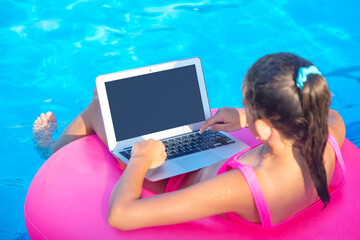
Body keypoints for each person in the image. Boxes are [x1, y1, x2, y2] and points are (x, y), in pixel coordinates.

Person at [33, 53, 345, 231]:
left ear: (264, 128)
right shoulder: (329, 137)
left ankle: (48, 150)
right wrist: (243, 117)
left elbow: (121, 216)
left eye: (249, 110)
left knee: (100, 102)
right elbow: (325, 113)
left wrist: (142, 159)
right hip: (223, 153)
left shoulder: (244, 186)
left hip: (176, 177)